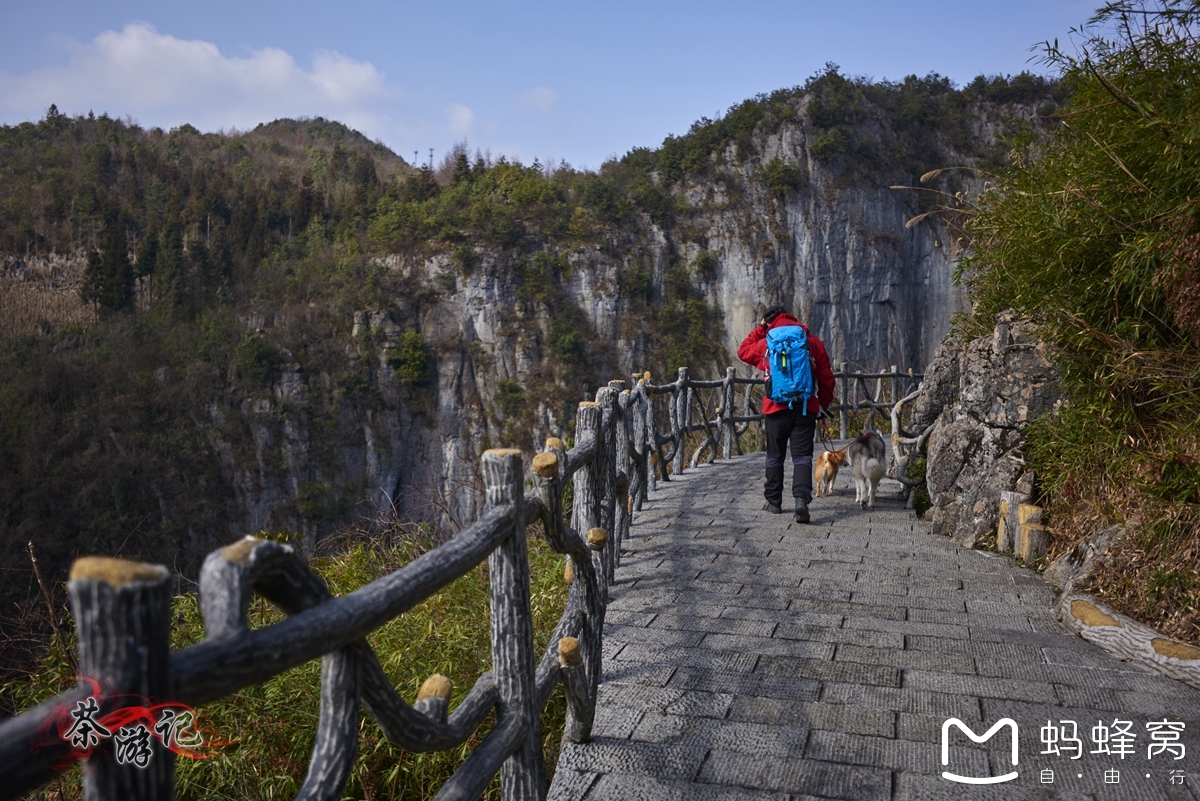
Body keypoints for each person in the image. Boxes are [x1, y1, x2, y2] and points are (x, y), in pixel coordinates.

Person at [737, 306, 836, 523]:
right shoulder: (811, 342)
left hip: (775, 409)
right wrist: (822, 404)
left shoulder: (767, 343)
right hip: (805, 408)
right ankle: (801, 499)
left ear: (770, 323)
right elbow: (826, 376)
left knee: (774, 457)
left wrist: (761, 329)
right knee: (802, 457)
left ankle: (773, 502)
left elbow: (743, 351)